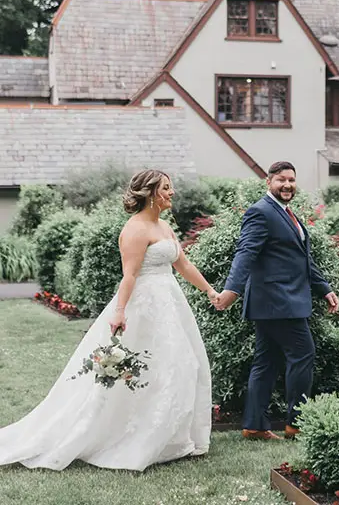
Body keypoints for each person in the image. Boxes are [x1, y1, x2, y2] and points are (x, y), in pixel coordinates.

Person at [0, 169, 215, 471]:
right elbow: (130, 275)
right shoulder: (135, 230)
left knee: (182, 365)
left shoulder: (165, 226)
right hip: (144, 306)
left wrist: (209, 291)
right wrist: (119, 312)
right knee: (141, 370)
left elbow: (183, 263)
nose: (173, 192)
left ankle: (172, 438)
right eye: (167, 188)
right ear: (151, 193)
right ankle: (131, 436)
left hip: (171, 304)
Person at [214, 160, 339, 440]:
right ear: (269, 182)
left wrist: (324, 288)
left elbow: (301, 259)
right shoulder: (260, 212)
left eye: (291, 180)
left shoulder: (286, 213)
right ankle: (296, 424)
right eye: (281, 180)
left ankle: (255, 426)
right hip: (279, 301)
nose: (287, 185)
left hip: (275, 303)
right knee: (303, 354)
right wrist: (231, 291)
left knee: (267, 362)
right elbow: (245, 253)